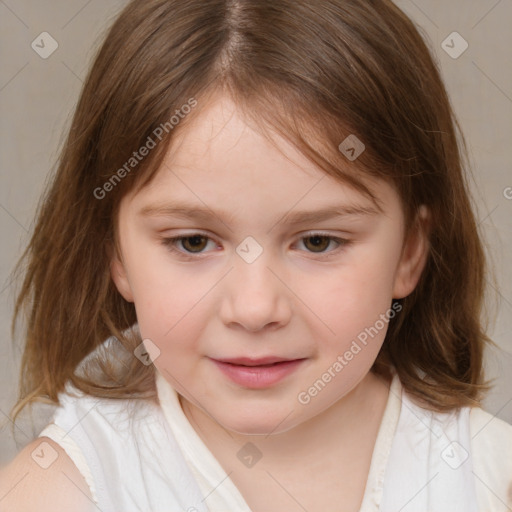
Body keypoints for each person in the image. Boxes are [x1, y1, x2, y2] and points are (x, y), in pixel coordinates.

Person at [1, 0, 511, 511]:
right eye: (193, 242)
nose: (254, 308)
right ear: (116, 254)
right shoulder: (53, 495)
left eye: (317, 242)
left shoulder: (490, 480)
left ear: (409, 251)